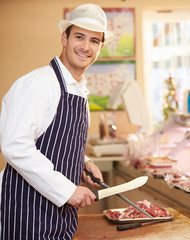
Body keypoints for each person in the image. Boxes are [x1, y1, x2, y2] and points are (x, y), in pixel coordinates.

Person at [0, 4, 115, 239]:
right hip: (26, 213)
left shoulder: (80, 92)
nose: (85, 47)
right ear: (64, 38)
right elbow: (16, 147)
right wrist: (68, 190)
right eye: (79, 37)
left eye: (94, 40)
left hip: (61, 216)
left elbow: (54, 140)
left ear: (100, 47)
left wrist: (83, 161)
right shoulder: (36, 84)